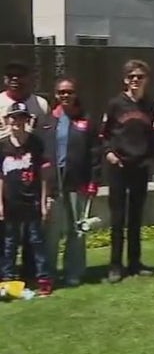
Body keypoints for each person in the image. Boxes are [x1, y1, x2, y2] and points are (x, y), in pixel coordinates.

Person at [100, 60, 154, 283]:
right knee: (117, 218)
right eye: (131, 77)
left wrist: (151, 160)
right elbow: (103, 134)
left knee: (135, 218)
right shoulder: (115, 104)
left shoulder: (150, 106)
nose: (135, 80)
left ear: (146, 80)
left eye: (140, 77)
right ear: (125, 80)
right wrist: (109, 154)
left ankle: (135, 263)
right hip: (118, 167)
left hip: (140, 168)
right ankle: (115, 265)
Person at [44, 77, 101, 287]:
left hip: (78, 181)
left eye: (69, 92)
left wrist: (94, 180)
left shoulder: (85, 120)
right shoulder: (47, 120)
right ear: (56, 95)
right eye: (61, 92)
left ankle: (73, 272)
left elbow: (95, 152)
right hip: (52, 182)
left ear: (76, 94)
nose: (65, 95)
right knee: (51, 230)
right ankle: (48, 272)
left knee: (76, 230)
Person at [0, 101, 52, 296]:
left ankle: (43, 279)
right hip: (11, 202)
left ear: (27, 120)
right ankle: (8, 280)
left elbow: (44, 175)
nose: (17, 122)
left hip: (32, 201)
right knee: (9, 242)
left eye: (21, 118)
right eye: (14, 117)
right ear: (7, 120)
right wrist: (0, 204)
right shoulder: (2, 146)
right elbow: (1, 178)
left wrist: (45, 201)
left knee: (36, 241)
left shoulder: (36, 144)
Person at [0, 61, 51, 136]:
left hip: (32, 146)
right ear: (5, 79)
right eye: (10, 75)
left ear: (29, 78)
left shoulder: (41, 104)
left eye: (19, 75)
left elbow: (47, 133)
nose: (14, 78)